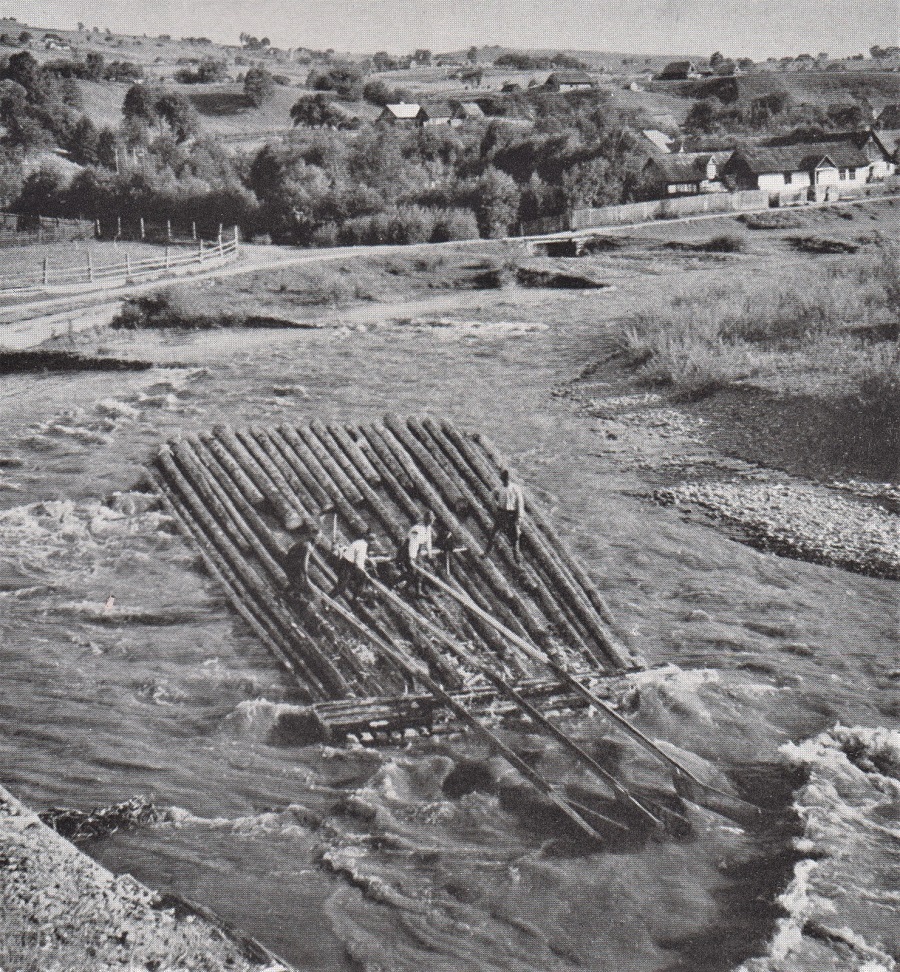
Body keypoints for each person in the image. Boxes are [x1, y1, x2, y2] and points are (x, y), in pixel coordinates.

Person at [482, 469, 524, 563]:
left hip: (512, 515)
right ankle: (486, 553)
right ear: (502, 479)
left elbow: (520, 504)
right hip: (502, 514)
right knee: (494, 534)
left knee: (515, 538)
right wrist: (495, 506)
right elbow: (491, 496)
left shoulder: (515, 488)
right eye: (503, 479)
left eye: (506, 479)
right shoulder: (499, 488)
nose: (505, 481)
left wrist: (519, 518)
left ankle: (518, 561)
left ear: (508, 478)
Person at [329, 527, 375, 603]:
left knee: (360, 578)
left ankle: (356, 597)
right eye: (372, 539)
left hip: (345, 564)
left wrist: (367, 559)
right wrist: (366, 573)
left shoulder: (359, 542)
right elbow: (358, 563)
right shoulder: (363, 546)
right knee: (341, 587)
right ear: (367, 537)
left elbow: (358, 555)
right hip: (347, 566)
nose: (372, 542)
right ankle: (327, 600)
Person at [397, 510, 435, 595]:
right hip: (407, 551)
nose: (431, 521)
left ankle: (418, 591)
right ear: (425, 518)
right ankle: (396, 584)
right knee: (412, 571)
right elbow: (413, 544)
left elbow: (428, 542)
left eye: (432, 519)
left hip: (417, 551)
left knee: (421, 570)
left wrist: (430, 555)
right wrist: (411, 558)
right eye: (429, 519)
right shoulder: (417, 529)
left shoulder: (428, 528)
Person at [282, 517, 321, 596]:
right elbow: (304, 560)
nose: (319, 539)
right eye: (318, 537)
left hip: (293, 560)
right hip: (292, 562)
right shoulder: (308, 545)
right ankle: (289, 594)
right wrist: (305, 572)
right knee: (300, 580)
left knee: (298, 580)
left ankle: (292, 593)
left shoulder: (309, 542)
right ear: (313, 536)